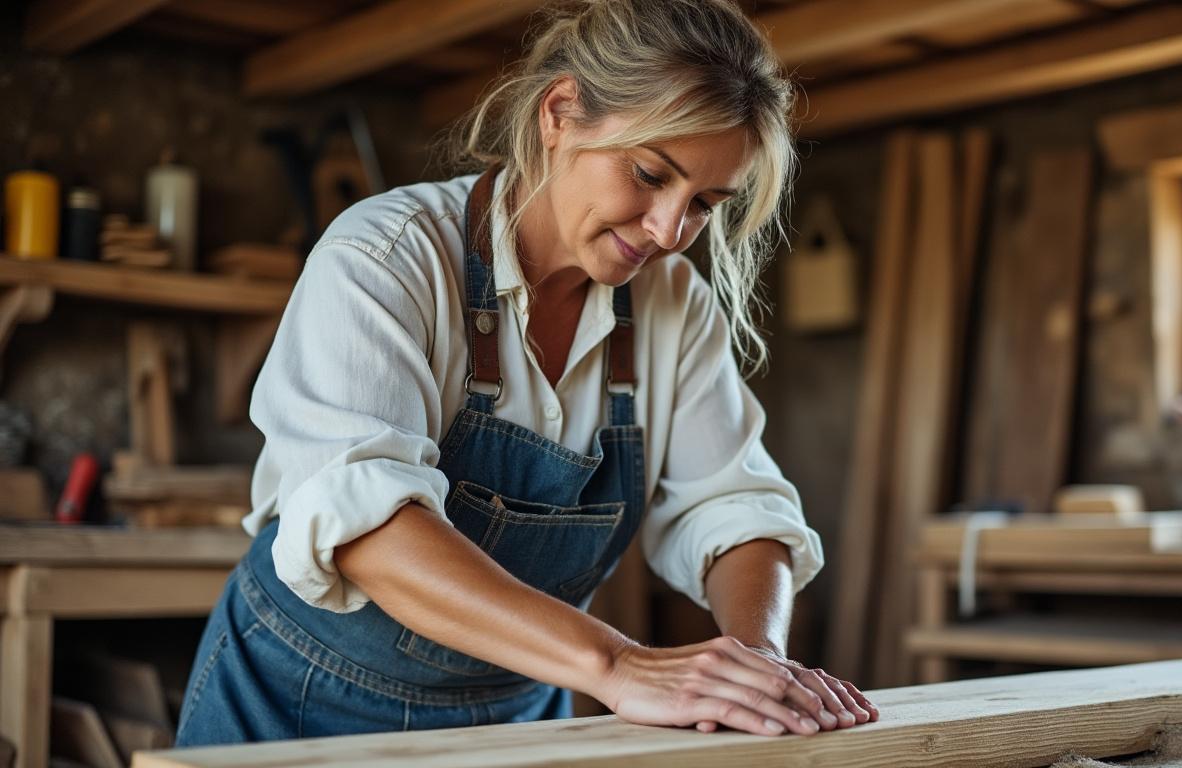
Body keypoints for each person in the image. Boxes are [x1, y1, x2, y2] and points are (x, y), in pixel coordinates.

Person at [176, 0, 878, 745]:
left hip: (512, 716)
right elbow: (369, 528)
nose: (670, 231)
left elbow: (735, 507)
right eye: (649, 174)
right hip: (298, 701)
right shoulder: (385, 258)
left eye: (703, 203)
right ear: (560, 113)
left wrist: (757, 665)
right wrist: (617, 664)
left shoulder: (672, 303)